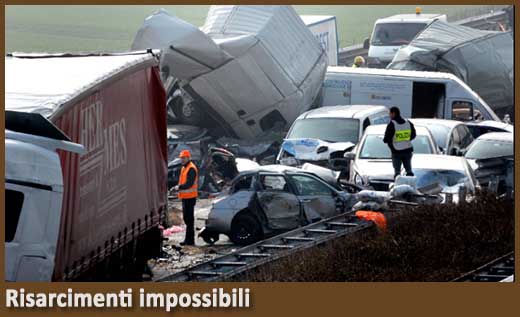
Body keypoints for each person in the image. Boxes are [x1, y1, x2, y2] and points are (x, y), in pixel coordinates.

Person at [173, 150, 198, 246]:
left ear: (188, 158)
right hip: (185, 197)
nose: (182, 160)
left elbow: (189, 184)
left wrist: (178, 187)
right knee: (187, 219)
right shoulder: (185, 168)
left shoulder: (191, 168)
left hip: (190, 198)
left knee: (189, 220)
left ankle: (190, 241)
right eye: (181, 158)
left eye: (184, 158)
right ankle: (188, 240)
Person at [383, 106, 416, 179]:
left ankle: (398, 186)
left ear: (393, 113)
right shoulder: (408, 123)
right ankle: (410, 185)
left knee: (397, 173)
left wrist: (392, 144)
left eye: (390, 113)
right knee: (409, 171)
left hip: (396, 151)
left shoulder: (392, 124)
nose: (389, 115)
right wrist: (405, 140)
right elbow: (413, 135)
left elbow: (386, 139)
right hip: (407, 150)